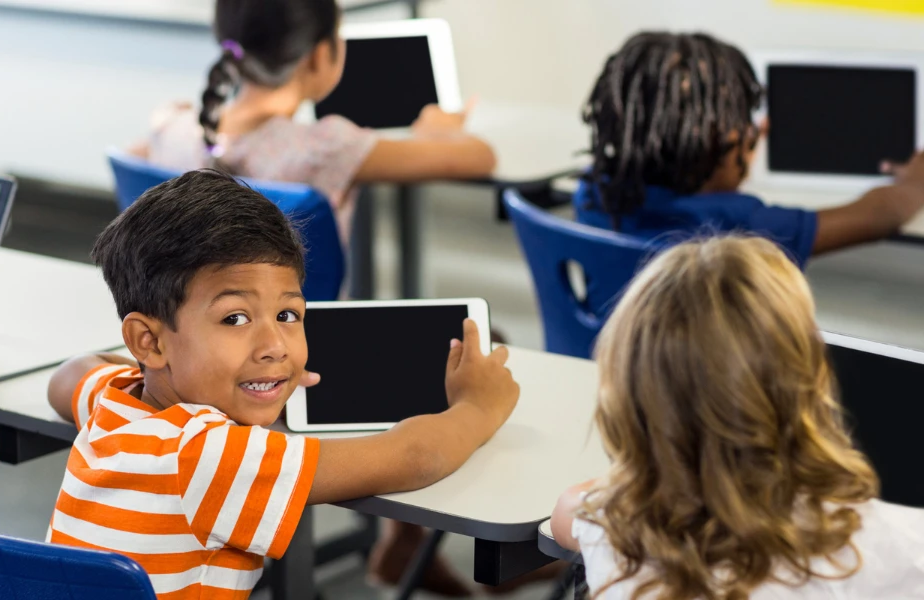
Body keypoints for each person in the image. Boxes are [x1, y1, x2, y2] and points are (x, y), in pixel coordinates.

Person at [46, 170, 519, 599]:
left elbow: (69, 375)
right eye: (234, 318)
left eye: (288, 315)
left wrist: (203, 373)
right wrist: (477, 406)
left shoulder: (111, 404)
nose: (275, 345)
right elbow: (417, 457)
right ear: (146, 339)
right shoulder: (210, 456)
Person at [550, 235, 924, 599]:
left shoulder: (613, 531)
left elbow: (565, 514)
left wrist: (650, 475)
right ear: (813, 380)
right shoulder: (899, 550)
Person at [136, 0, 496, 250]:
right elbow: (480, 156)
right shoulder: (325, 148)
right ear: (321, 54)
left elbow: (132, 158)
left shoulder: (171, 126)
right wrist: (438, 130)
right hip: (301, 339)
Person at [576, 32, 924, 267]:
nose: (755, 132)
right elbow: (878, 217)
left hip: (603, 365)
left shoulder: (594, 193)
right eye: (741, 121)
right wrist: (914, 183)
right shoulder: (732, 227)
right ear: (709, 145)